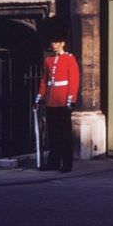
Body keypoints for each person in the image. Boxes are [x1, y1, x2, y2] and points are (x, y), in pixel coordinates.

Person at [36, 33, 80, 173]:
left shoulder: (69, 59)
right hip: (51, 101)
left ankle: (67, 163)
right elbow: (45, 80)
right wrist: (40, 96)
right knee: (53, 134)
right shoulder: (48, 60)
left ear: (62, 43)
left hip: (63, 101)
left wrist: (70, 100)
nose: (53, 44)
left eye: (56, 42)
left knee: (65, 134)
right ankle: (53, 162)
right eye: (52, 42)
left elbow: (74, 80)